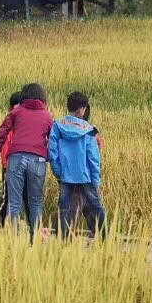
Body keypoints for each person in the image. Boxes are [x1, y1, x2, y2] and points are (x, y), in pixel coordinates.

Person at [0, 83, 53, 239]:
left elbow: (3, 130)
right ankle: (35, 238)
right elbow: (53, 139)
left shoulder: (16, 111)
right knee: (35, 202)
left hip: (16, 157)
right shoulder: (47, 116)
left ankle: (13, 239)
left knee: (14, 202)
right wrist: (50, 157)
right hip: (38, 159)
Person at [49, 91, 104, 238]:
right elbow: (94, 158)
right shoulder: (89, 130)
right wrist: (96, 179)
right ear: (82, 110)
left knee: (65, 208)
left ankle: (64, 239)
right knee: (94, 206)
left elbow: (52, 152)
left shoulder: (58, 126)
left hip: (65, 175)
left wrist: (58, 171)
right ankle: (104, 237)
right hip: (85, 176)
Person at [0, 90, 23, 229]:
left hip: (21, 167)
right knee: (8, 200)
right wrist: (7, 166)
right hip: (9, 168)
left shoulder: (22, 127)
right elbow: (4, 150)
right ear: (11, 109)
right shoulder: (9, 127)